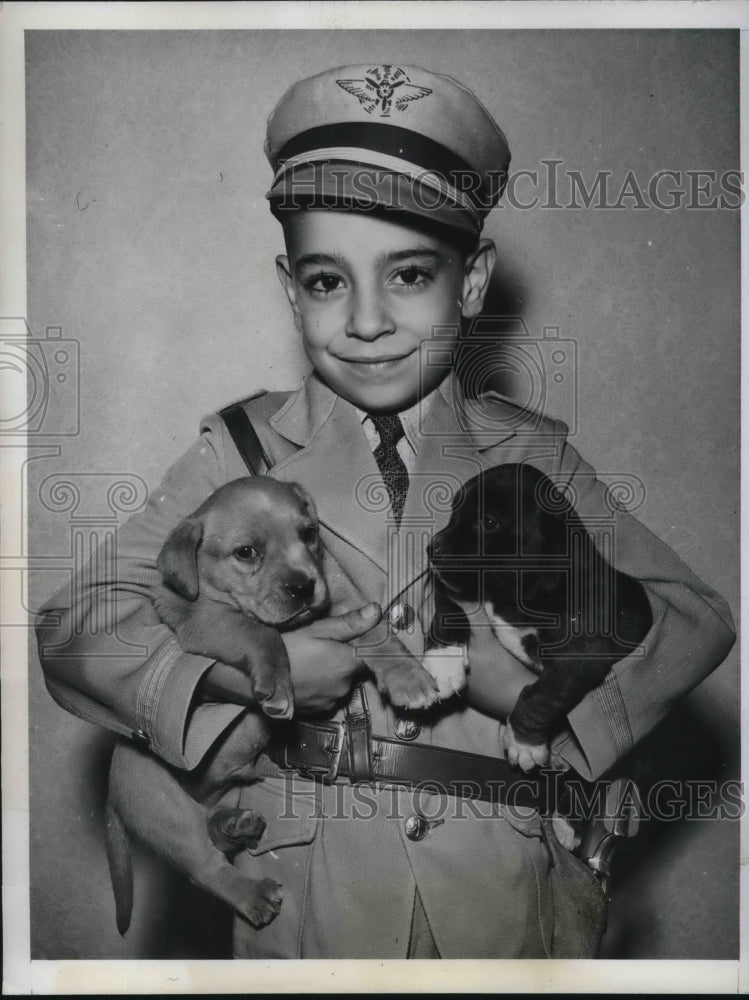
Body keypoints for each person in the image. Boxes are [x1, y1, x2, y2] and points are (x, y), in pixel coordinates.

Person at [36, 63, 735, 959]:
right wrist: (250, 669)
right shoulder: (240, 451)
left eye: (408, 275)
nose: (366, 320)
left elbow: (691, 618)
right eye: (328, 282)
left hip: (503, 891)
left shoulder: (528, 455)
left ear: (472, 285)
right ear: (292, 291)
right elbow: (74, 625)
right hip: (312, 894)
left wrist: (548, 710)